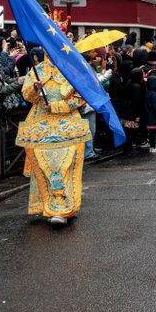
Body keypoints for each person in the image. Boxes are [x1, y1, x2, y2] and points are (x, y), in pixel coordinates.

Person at [16, 54, 90, 226]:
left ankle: (62, 208)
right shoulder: (38, 70)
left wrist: (57, 107)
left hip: (68, 126)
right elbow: (26, 95)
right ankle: (47, 206)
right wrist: (35, 88)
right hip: (40, 127)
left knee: (63, 166)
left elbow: (81, 95)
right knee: (44, 166)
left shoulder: (71, 68)